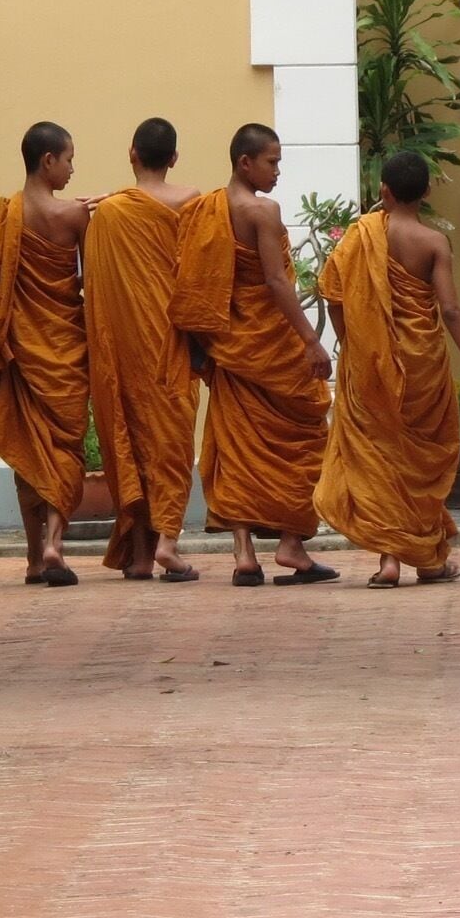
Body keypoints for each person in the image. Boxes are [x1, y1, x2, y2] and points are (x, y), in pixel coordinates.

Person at [315, 151, 460, 587]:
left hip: (370, 366)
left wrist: (353, 344)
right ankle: (428, 561)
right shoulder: (434, 243)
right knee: (417, 461)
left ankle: (389, 561)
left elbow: (333, 293)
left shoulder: (361, 236)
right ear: (428, 192)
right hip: (423, 368)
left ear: (384, 191)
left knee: (380, 458)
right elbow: (450, 309)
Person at [170, 124, 340, 586]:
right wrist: (309, 339)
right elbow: (276, 282)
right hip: (271, 344)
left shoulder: (205, 210)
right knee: (305, 433)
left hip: (230, 345)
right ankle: (290, 544)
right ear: (245, 163)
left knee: (235, 445)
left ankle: (244, 554)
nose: (278, 171)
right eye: (272, 161)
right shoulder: (263, 211)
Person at [0, 121, 93, 588]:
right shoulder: (75, 217)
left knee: (29, 455)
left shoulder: (3, 215)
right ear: (48, 161)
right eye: (69, 160)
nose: (72, 169)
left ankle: (33, 557)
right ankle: (54, 543)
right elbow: (91, 282)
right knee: (65, 449)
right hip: (64, 346)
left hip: (21, 348)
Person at [86, 118, 203, 582]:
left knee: (131, 445)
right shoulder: (195, 202)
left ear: (131, 153)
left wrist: (109, 202)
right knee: (171, 445)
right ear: (174, 157)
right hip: (173, 346)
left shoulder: (112, 211)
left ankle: (139, 555)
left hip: (127, 351)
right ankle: (167, 544)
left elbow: (96, 286)